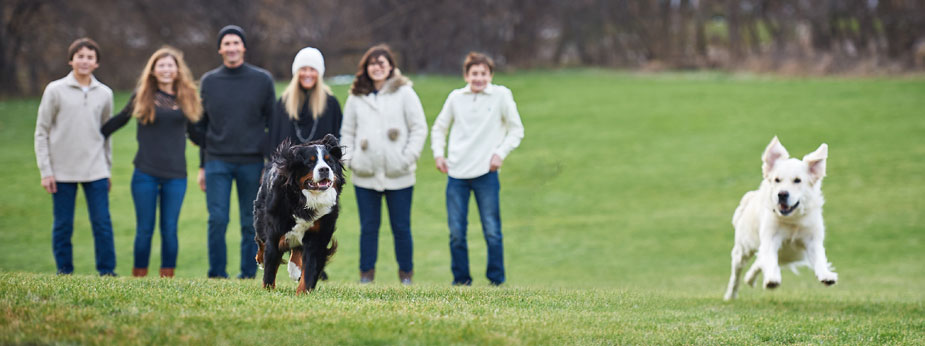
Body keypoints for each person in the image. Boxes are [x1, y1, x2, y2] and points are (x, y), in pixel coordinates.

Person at [101, 47, 202, 278]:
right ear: (154, 71)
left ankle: (167, 277)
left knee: (169, 229)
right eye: (161, 65)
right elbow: (118, 121)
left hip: (176, 175)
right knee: (144, 230)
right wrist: (93, 133)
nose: (166, 69)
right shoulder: (142, 95)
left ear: (177, 70)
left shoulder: (187, 97)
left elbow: (196, 135)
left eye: (170, 65)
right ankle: (139, 276)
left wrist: (221, 139)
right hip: (145, 173)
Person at [430, 52, 525, 286]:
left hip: (486, 173)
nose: (479, 78)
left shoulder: (501, 96)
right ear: (466, 75)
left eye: (484, 73)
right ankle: (461, 281)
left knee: (492, 230)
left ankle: (496, 280)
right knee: (456, 232)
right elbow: (439, 128)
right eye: (474, 73)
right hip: (457, 174)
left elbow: (516, 130)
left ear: (490, 75)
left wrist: (499, 154)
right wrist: (439, 154)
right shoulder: (455, 98)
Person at [193, 25, 276, 279]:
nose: (231, 48)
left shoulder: (262, 80)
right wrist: (202, 165)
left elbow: (272, 124)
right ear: (220, 49)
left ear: (243, 48)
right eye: (226, 43)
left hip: (252, 163)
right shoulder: (209, 81)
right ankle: (217, 274)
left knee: (249, 222)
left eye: (235, 43)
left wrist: (269, 165)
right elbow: (202, 126)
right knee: (217, 220)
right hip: (217, 161)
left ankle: (248, 274)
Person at [340, 44, 427, 285]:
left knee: (401, 228)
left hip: (399, 174)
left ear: (390, 66)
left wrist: (407, 157)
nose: (377, 68)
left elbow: (419, 127)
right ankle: (366, 275)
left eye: (381, 63)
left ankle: (406, 276)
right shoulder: (356, 97)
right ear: (365, 68)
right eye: (372, 63)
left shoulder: (405, 93)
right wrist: (351, 160)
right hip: (365, 174)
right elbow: (346, 132)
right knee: (368, 228)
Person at [34, 37, 117, 276]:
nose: (84, 61)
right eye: (80, 56)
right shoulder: (55, 90)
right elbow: (42, 131)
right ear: (71, 60)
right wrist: (46, 171)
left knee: (102, 224)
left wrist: (107, 168)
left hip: (96, 169)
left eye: (90, 57)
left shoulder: (105, 94)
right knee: (63, 225)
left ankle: (107, 271)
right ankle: (64, 271)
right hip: (62, 171)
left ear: (97, 63)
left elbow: (106, 134)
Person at [267, 47, 342, 152]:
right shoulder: (283, 103)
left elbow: (336, 141)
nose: (307, 74)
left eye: (312, 69)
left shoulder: (331, 104)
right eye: (303, 69)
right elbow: (274, 139)